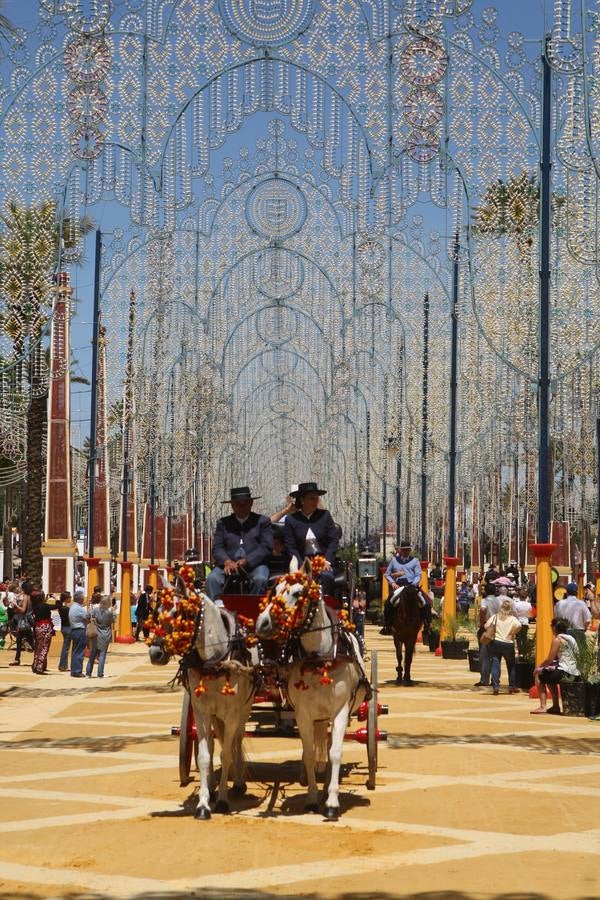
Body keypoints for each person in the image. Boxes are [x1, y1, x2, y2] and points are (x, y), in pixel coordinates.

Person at [206, 486, 272, 603]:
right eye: (238, 504)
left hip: (255, 566)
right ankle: (218, 612)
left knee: (260, 579)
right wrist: (226, 561)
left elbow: (266, 547)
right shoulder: (223, 523)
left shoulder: (262, 521)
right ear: (232, 505)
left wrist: (248, 561)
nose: (242, 507)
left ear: (251, 503)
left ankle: (252, 611)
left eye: (245, 503)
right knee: (212, 579)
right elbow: (217, 548)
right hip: (228, 566)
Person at [284, 482, 338, 597]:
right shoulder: (291, 520)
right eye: (312, 499)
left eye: (316, 498)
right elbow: (290, 546)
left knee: (326, 576)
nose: (315, 502)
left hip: (322, 562)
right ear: (302, 500)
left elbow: (333, 540)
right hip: (302, 563)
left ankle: (325, 608)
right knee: (297, 581)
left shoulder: (325, 516)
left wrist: (327, 561)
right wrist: (300, 564)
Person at [531, 618, 579, 714]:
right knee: (548, 674)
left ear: (554, 628)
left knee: (539, 675)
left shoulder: (557, 640)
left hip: (564, 671)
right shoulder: (571, 639)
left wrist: (538, 667)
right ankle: (555, 706)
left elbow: (549, 659)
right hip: (574, 672)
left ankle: (543, 706)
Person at [380, 540, 422, 635]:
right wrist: (392, 583)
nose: (406, 552)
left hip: (411, 586)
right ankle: (388, 626)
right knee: (389, 603)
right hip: (399, 586)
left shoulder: (415, 561)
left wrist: (413, 584)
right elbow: (387, 574)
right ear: (400, 550)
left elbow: (418, 575)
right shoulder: (394, 560)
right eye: (404, 550)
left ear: (410, 550)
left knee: (425, 602)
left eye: (407, 550)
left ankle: (427, 626)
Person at [485, 597, 522, 695]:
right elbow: (519, 625)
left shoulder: (495, 617)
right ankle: (512, 686)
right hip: (508, 643)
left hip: (496, 642)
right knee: (511, 665)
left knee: (495, 664)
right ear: (510, 609)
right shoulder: (513, 619)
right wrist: (512, 633)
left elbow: (486, 626)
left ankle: (495, 687)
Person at [86, 594, 117, 678]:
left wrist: (89, 607)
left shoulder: (95, 610)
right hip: (105, 634)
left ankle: (88, 673)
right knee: (102, 654)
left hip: (95, 633)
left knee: (92, 654)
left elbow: (87, 615)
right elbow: (114, 620)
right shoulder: (110, 612)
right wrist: (113, 610)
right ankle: (100, 674)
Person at [554, 582, 591, 648]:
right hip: (578, 632)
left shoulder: (559, 603)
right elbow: (588, 620)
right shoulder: (582, 604)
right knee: (579, 656)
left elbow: (556, 618)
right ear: (576, 593)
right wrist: (584, 628)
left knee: (564, 656)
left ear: (566, 592)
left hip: (563, 632)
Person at [9, 581, 34, 666]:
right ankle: (17, 659)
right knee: (20, 640)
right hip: (28, 620)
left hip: (24, 620)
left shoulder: (26, 597)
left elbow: (23, 610)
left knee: (28, 640)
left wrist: (16, 605)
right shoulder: (31, 596)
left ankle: (37, 657)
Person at [30, 590, 54, 674]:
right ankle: (40, 667)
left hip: (37, 627)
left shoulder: (34, 606)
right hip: (46, 627)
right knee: (44, 647)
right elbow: (57, 606)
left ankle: (35, 665)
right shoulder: (46, 606)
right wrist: (56, 599)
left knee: (38, 647)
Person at [68, 589, 89, 678]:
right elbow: (87, 617)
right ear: (80, 599)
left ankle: (74, 670)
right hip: (80, 630)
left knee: (75, 651)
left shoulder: (73, 607)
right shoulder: (79, 609)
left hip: (74, 630)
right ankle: (77, 670)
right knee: (79, 651)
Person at [513, 585, 532, 656]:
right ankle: (524, 652)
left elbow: (514, 613)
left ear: (519, 596)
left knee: (518, 638)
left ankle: (520, 652)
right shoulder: (529, 604)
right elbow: (530, 615)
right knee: (524, 637)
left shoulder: (516, 604)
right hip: (525, 622)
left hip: (518, 622)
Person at [56, 591, 72, 671]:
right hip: (68, 627)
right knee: (66, 648)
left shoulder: (61, 607)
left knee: (66, 647)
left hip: (63, 627)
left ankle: (64, 665)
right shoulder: (66, 609)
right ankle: (63, 665)